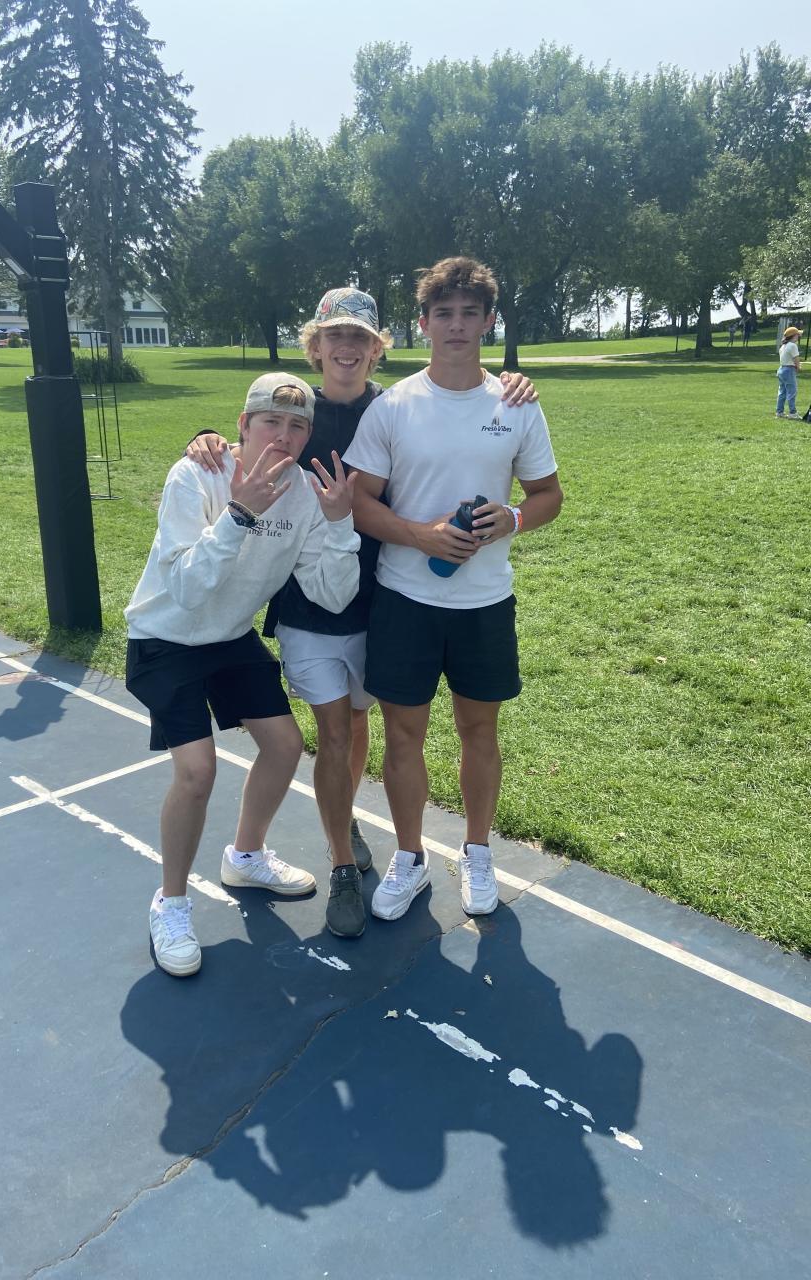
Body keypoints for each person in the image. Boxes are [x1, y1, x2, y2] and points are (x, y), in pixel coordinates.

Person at [187, 289, 539, 939]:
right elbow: (250, 436)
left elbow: (460, 413)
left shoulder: (395, 406)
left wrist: (507, 386)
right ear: (315, 345)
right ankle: (344, 864)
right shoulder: (299, 409)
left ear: (378, 348)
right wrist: (204, 439)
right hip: (311, 599)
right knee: (337, 731)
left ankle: (345, 815)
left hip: (386, 596)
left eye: (360, 337)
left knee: (358, 723)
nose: (346, 348)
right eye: (334, 336)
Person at [343, 256, 563, 924]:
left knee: (479, 730)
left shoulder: (517, 404)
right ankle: (410, 857)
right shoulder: (393, 406)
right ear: (424, 323)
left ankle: (477, 851)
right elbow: (359, 503)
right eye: (445, 313)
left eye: (471, 313)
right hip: (405, 600)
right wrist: (421, 536)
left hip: (484, 603)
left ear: (489, 321)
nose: (457, 325)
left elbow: (548, 495)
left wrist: (514, 519)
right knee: (403, 735)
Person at [125, 372, 360, 975]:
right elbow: (186, 589)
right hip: (166, 636)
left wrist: (339, 524)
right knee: (197, 772)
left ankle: (245, 856)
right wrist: (239, 513)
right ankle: (171, 903)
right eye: (270, 422)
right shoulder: (196, 474)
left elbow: (332, 595)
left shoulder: (307, 493)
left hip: (229, 637)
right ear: (243, 425)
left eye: (297, 425)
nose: (283, 435)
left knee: (284, 745)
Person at [775, 325, 802, 419]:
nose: (799, 336)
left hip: (781, 369)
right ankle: (792, 413)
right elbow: (796, 359)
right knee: (792, 392)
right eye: (798, 335)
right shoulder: (793, 345)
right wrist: (798, 367)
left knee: (782, 392)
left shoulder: (783, 346)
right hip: (789, 370)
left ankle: (779, 412)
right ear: (794, 336)